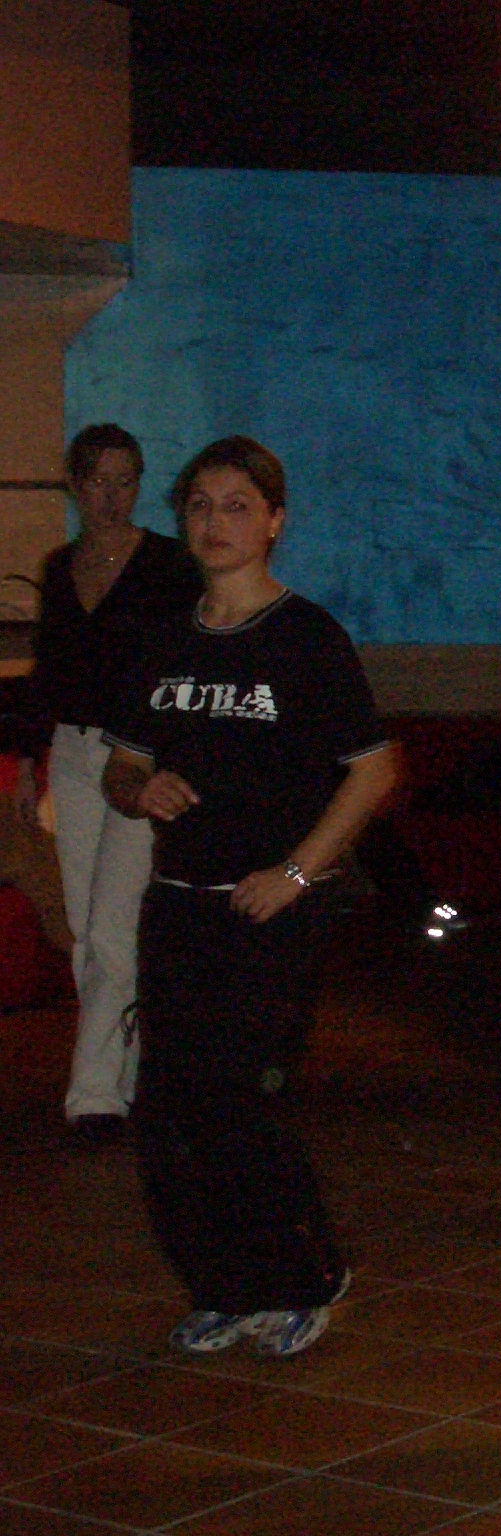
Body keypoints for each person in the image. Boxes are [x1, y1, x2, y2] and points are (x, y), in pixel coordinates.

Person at [101, 436, 398, 1358]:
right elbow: (123, 765)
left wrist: (299, 872)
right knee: (168, 1108)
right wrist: (139, 789)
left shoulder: (306, 637)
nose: (215, 522)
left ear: (274, 521)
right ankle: (224, 1286)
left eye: (237, 505)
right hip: (179, 900)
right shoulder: (166, 637)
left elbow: (374, 770)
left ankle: (305, 1276)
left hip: (269, 907)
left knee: (238, 1099)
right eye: (199, 505)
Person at [22, 425, 202, 1145]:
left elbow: (183, 664)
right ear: (75, 483)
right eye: (99, 479)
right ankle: (125, 1073)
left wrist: (176, 756)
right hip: (72, 749)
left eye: (126, 480)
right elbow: (51, 669)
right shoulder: (60, 566)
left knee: (111, 923)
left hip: (140, 756)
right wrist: (32, 758)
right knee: (83, 921)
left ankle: (94, 1093)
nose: (112, 495)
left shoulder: (167, 565)